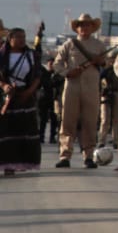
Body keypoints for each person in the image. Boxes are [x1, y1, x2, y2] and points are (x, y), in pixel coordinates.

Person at [51, 13, 109, 169]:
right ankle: (65, 155)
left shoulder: (99, 46)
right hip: (72, 86)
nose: (84, 27)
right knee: (68, 122)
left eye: (87, 24)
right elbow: (57, 64)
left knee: (90, 122)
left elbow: (107, 65)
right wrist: (68, 72)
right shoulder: (69, 44)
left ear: (92, 27)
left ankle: (88, 156)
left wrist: (100, 61)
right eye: (81, 25)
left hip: (92, 87)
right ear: (77, 28)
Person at [0, 27, 43, 175]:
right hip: (7, 98)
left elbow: (37, 76)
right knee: (7, 132)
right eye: (18, 37)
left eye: (23, 37)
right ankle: (7, 165)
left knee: (24, 130)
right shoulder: (2, 55)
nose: (21, 40)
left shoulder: (31, 55)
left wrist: (29, 92)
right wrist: (4, 86)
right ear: (10, 39)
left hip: (26, 97)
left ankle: (21, 163)